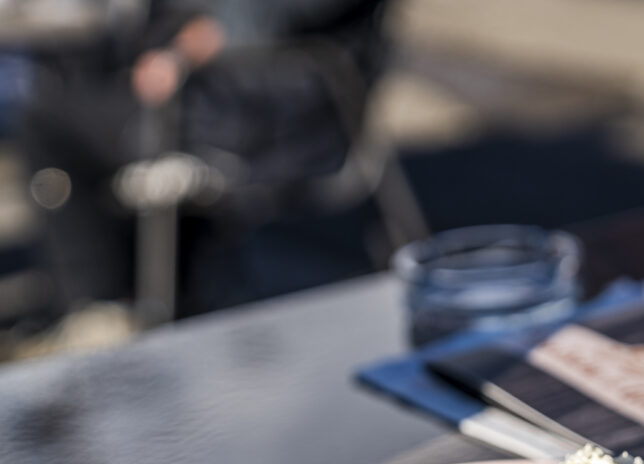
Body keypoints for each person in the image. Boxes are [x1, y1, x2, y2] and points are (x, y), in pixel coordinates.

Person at [20, 0, 389, 320]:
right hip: (233, 99)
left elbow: (246, 22)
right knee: (62, 97)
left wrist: (183, 49)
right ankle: (121, 302)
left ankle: (99, 309)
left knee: (48, 122)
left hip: (264, 117)